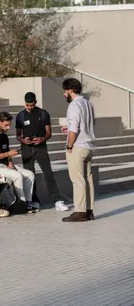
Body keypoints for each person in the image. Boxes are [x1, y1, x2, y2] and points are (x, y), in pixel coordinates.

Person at [16, 92, 70, 212]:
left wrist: (42, 139)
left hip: (40, 147)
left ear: (35, 102)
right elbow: (18, 135)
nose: (29, 107)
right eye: (27, 105)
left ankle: (57, 200)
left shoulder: (43, 113)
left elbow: (49, 133)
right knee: (30, 176)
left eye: (31, 105)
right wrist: (23, 140)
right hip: (27, 148)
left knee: (48, 174)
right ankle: (34, 201)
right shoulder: (20, 116)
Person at [0, 112, 35, 213]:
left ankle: (28, 202)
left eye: (9, 125)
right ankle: (21, 204)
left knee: (30, 174)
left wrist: (11, 163)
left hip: (5, 164)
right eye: (6, 125)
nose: (8, 127)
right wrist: (8, 154)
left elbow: (7, 153)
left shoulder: (4, 137)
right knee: (17, 175)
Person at [61, 78, 96, 222]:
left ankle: (79, 211)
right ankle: (89, 210)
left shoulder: (74, 105)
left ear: (71, 90)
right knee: (88, 179)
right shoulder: (88, 103)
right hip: (89, 145)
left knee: (77, 179)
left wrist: (69, 146)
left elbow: (74, 129)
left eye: (65, 91)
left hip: (78, 146)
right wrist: (68, 128)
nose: (64, 94)